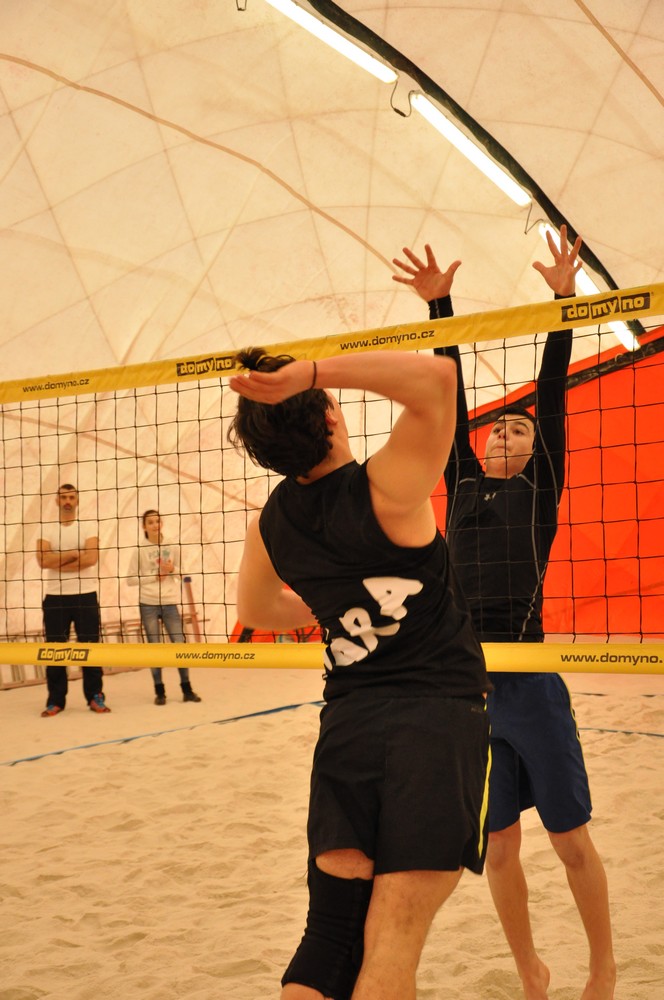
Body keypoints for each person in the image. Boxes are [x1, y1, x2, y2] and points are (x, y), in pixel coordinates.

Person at [392, 226, 616, 1000]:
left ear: (532, 449)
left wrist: (563, 302)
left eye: (516, 429)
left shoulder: (539, 489)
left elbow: (551, 400)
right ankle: (530, 969)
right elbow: (450, 397)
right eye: (498, 427)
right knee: (499, 846)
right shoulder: (460, 480)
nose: (503, 432)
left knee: (571, 840)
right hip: (471, 688)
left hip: (531, 679)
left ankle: (603, 967)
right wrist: (440, 308)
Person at [227, 347, 491, 1000]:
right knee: (390, 945)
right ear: (329, 416)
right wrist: (315, 372)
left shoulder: (272, 523)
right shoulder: (386, 488)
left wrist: (339, 608)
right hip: (436, 722)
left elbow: (257, 611)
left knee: (329, 940)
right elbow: (438, 379)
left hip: (348, 729)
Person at [36, 483, 111, 716]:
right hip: (55, 597)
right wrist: (71, 555)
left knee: (90, 648)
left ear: (77, 501)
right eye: (63, 497)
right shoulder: (46, 529)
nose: (67, 501)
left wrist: (57, 560)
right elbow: (42, 561)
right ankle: (55, 700)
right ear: (57, 501)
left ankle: (95, 696)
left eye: (71, 497)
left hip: (85, 595)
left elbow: (91, 559)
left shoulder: (88, 526)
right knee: (55, 651)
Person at [126, 509, 202, 705]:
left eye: (157, 521)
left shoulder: (172, 545)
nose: (155, 525)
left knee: (179, 644)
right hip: (148, 603)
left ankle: (187, 689)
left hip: (169, 602)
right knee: (155, 647)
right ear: (144, 526)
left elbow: (184, 574)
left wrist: (172, 569)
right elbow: (130, 580)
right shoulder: (139, 550)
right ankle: (160, 692)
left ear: (162, 523)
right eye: (150, 522)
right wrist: (154, 577)